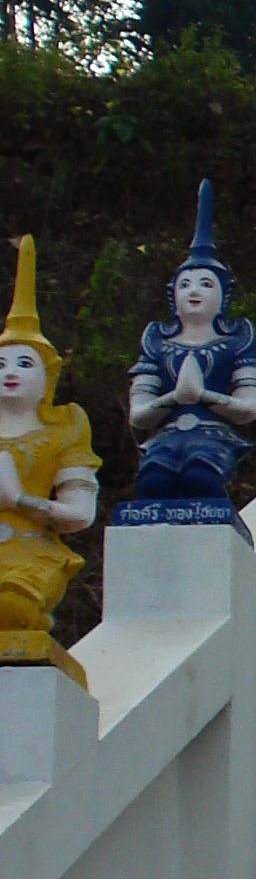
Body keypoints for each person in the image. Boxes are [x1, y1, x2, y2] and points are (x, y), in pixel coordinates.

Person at [125, 183, 256, 510]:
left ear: (223, 297)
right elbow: (139, 415)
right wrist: (176, 397)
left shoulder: (238, 338)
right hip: (167, 435)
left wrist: (202, 396)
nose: (194, 291)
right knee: (153, 483)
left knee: (199, 477)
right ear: (172, 294)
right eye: (185, 284)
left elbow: (250, 408)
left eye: (206, 284)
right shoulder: (157, 340)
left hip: (213, 436)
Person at [0, 236, 99, 668]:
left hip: (31, 552)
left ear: (47, 377)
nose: (9, 373)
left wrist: (18, 500)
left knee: (13, 608)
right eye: (1, 364)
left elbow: (81, 513)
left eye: (25, 364)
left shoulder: (64, 429)